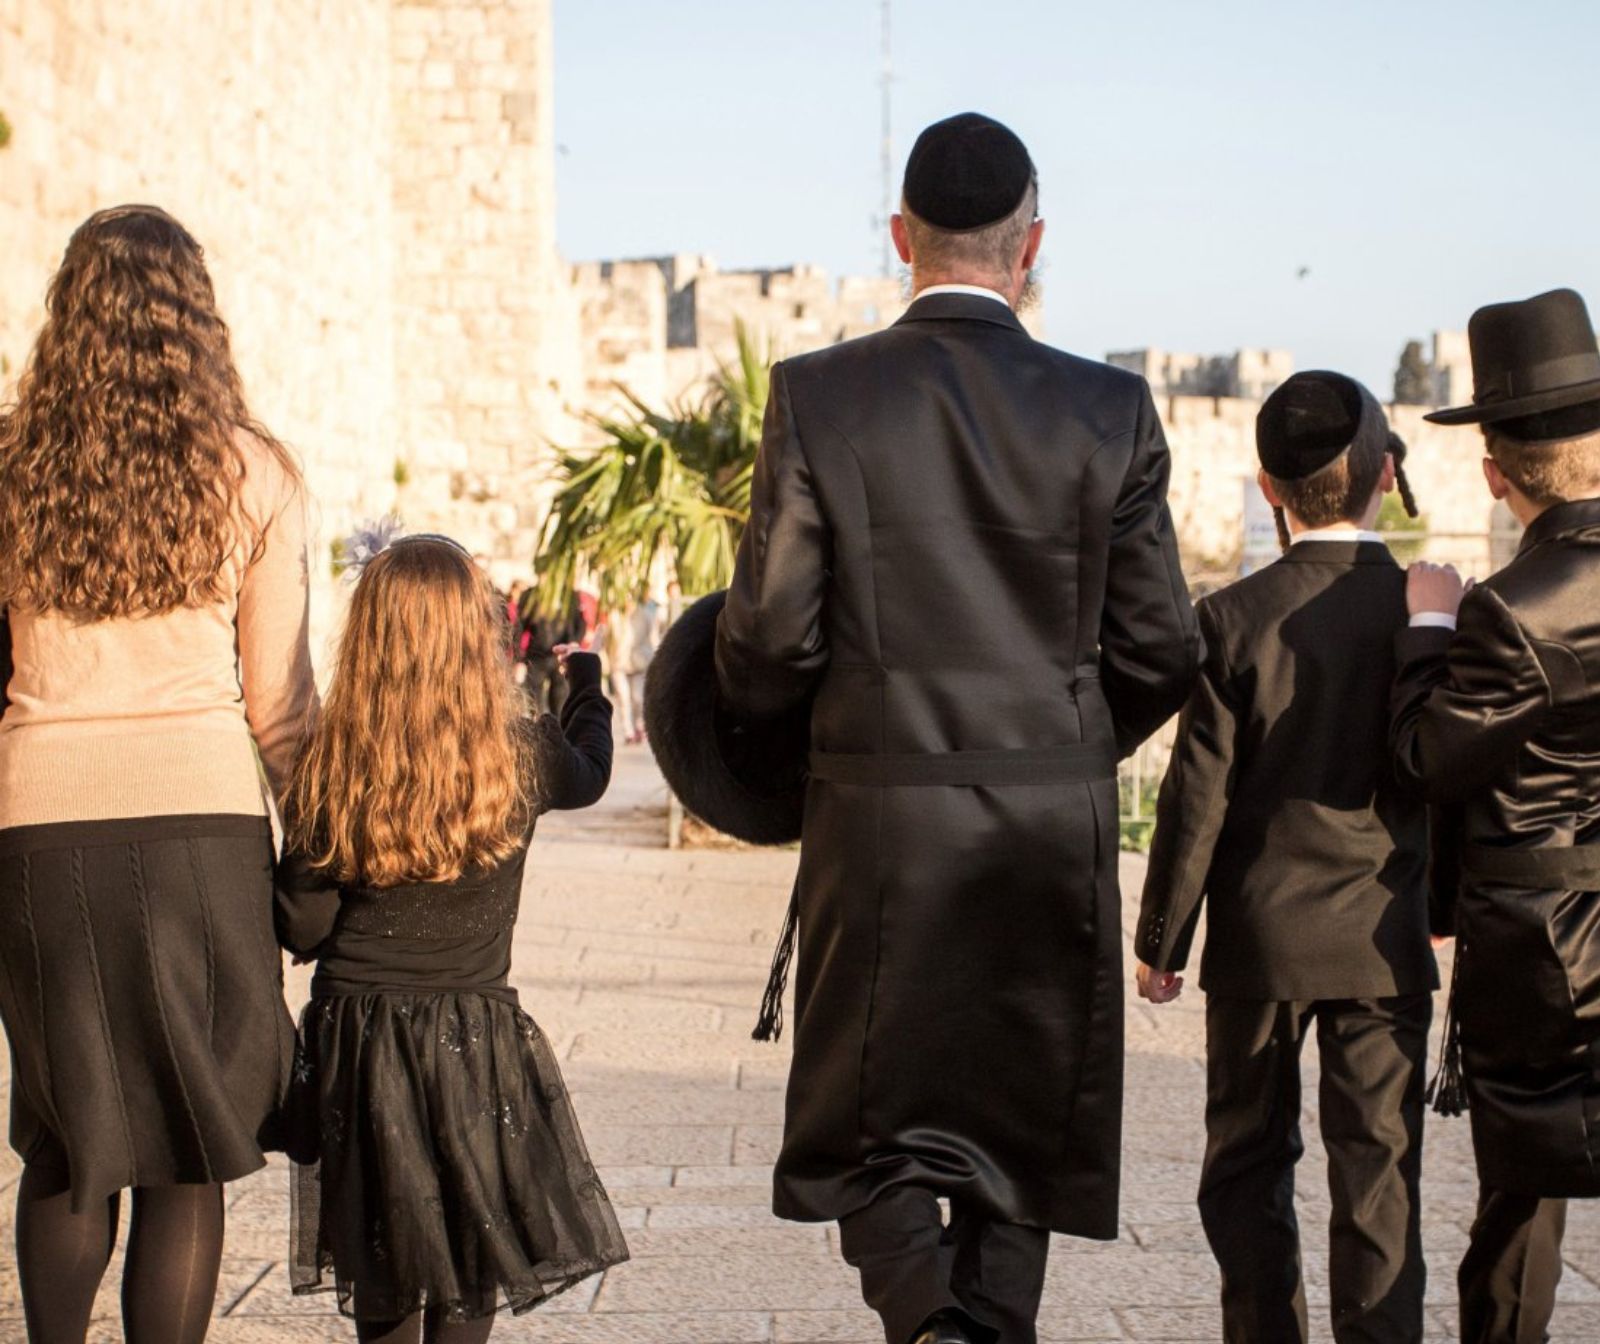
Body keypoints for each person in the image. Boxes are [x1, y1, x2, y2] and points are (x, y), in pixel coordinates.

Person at [712, 112, 1201, 1344]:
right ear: (1030, 246)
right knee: (1021, 1124)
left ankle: (929, 1323)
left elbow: (771, 636)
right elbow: (1161, 651)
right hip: (1052, 825)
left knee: (863, 1123)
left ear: (899, 239)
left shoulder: (817, 398)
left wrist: (795, 763)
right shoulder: (1111, 412)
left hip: (879, 826)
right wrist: (1068, 741)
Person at [0, 204, 314, 1344]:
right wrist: (338, 854)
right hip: (202, 837)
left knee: (70, 1140)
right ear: (198, 319)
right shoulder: (257, 472)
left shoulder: (10, 465)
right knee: (188, 1146)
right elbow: (281, 708)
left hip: (40, 835)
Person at [1134, 371, 1437, 1344]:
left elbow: (1196, 796)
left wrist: (1161, 939)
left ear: (1267, 488)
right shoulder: (1426, 617)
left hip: (1261, 944)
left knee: (1245, 1167)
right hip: (1382, 945)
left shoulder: (1229, 619)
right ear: (1384, 477)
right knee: (1379, 1179)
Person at [274, 535, 629, 1344]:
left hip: (362, 1048)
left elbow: (301, 920)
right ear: (479, 639)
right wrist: (587, 685)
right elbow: (593, 767)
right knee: (471, 1267)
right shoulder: (518, 757)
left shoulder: (335, 764)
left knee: (382, 1267)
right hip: (473, 1043)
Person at [1390, 287, 1600, 1344]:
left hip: (1542, 949)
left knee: (1521, 1209)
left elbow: (1433, 756)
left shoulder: (1511, 607)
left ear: (1492, 471)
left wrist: (1428, 627)